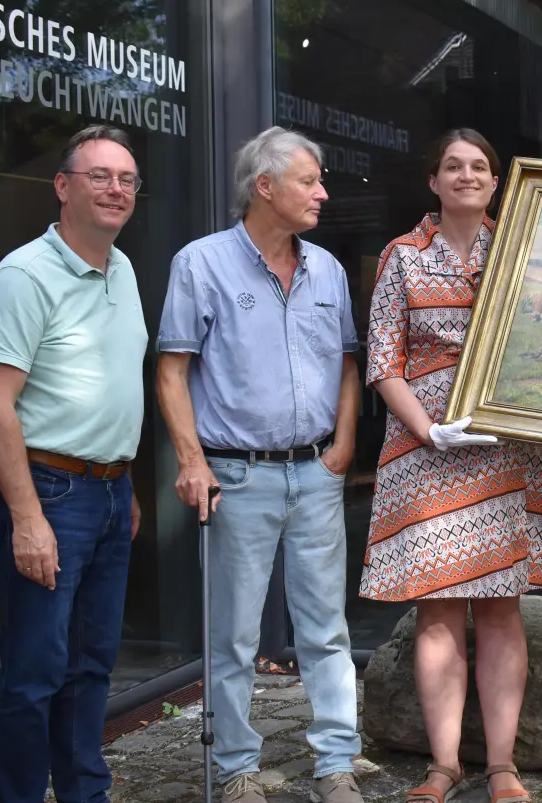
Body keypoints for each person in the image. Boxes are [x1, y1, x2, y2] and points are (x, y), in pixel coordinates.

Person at [360, 129, 542, 803]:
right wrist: (428, 429)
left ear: (496, 181)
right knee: (436, 613)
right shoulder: (402, 256)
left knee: (499, 609)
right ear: (433, 181)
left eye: (480, 166)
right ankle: (442, 767)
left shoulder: (522, 246)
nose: (467, 175)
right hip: (426, 450)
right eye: (453, 166)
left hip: (503, 445)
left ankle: (501, 766)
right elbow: (383, 361)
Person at [155, 126, 363, 803]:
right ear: (265, 187)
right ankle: (236, 769)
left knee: (326, 630)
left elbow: (348, 366)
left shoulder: (328, 269)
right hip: (236, 476)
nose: (322, 193)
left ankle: (336, 763)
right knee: (235, 636)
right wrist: (192, 460)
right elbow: (171, 372)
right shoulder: (201, 264)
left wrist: (343, 446)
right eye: (310, 181)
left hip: (316, 474)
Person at [0, 124, 147, 803]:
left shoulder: (123, 269)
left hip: (109, 491)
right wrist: (26, 518)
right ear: (63, 186)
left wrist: (123, 485)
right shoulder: (23, 277)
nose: (115, 189)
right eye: (99, 176)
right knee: (34, 672)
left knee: (91, 665)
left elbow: (110, 388)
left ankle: (83, 794)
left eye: (127, 179)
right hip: (48, 492)